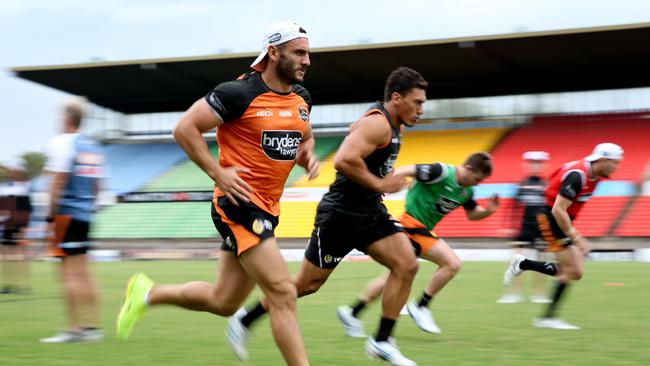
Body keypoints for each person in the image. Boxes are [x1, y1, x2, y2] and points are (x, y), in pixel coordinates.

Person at [115, 21, 318, 366]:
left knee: (224, 302)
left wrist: (307, 153)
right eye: (299, 52)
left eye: (308, 53)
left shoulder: (302, 99)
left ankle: (146, 293)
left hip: (267, 208)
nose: (307, 60)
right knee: (283, 292)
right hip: (238, 204)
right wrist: (217, 172)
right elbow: (184, 128)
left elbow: (305, 135)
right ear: (273, 52)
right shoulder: (237, 93)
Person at [227, 66, 428, 366]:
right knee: (306, 285)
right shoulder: (379, 124)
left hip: (369, 212)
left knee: (407, 264)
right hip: (341, 216)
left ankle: (382, 342)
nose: (421, 110)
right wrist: (381, 183)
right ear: (397, 98)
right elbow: (345, 160)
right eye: (418, 102)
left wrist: (377, 185)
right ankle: (244, 319)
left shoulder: (390, 124)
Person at [337, 152, 498, 336]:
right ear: (468, 168)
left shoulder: (467, 191)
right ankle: (421, 306)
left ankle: (352, 313)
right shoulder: (441, 172)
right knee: (451, 263)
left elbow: (472, 213)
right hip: (410, 225)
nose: (477, 183)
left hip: (420, 230)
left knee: (391, 278)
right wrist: (383, 185)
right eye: (477, 179)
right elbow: (406, 169)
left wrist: (489, 211)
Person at [503, 143, 623, 329]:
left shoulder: (594, 174)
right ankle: (547, 318)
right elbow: (558, 210)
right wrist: (576, 237)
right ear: (603, 160)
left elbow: (555, 180)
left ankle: (523, 264)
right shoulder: (578, 175)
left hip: (560, 220)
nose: (617, 167)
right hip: (551, 219)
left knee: (575, 272)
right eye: (615, 163)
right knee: (569, 272)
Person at [40, 98, 105, 343]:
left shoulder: (61, 143)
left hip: (65, 215)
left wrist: (49, 214)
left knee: (67, 274)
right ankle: (93, 328)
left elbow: (57, 180)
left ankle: (73, 329)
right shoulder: (93, 146)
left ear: (67, 118)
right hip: (85, 214)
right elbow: (98, 185)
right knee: (85, 273)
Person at [497, 151, 551, 304]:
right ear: (527, 164)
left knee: (541, 263)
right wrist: (508, 227)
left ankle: (539, 294)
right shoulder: (521, 184)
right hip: (523, 228)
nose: (535, 165)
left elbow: (551, 208)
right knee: (515, 261)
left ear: (543, 165)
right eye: (532, 162)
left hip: (541, 229)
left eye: (538, 163)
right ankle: (513, 294)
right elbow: (512, 207)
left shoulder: (546, 185)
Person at [0, 166, 32, 294]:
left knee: (20, 255)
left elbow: (27, 210)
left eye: (15, 173)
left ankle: (23, 285)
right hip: (7, 225)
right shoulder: (5, 188)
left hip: (18, 225)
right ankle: (8, 285)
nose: (11, 175)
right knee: (6, 256)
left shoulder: (22, 189)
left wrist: (24, 228)